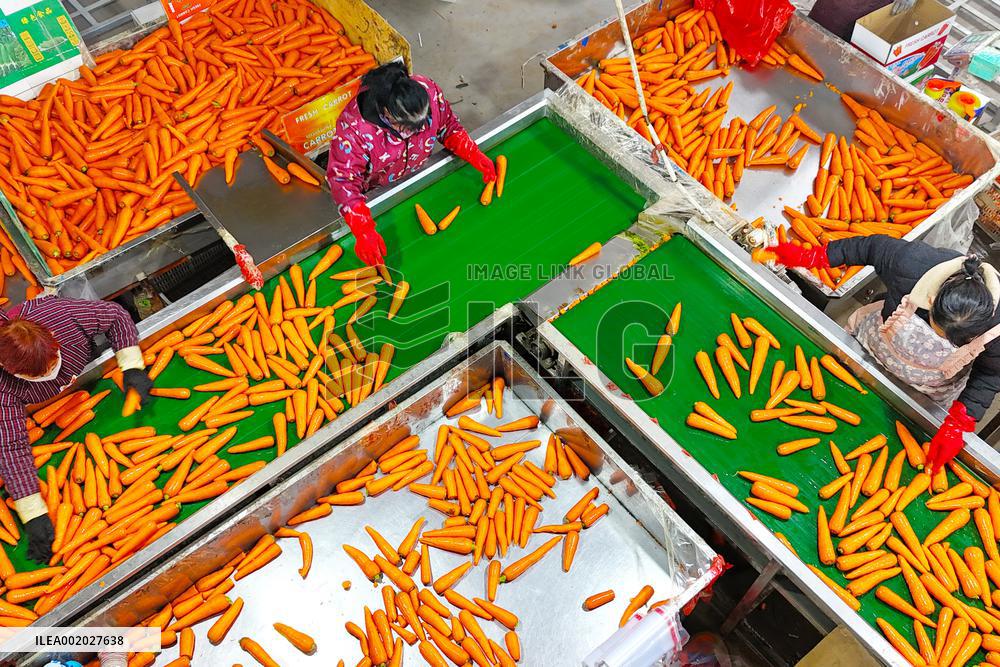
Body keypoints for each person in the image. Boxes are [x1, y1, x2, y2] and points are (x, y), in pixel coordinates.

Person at [765, 234, 1000, 473]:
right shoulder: (912, 264)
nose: (943, 341)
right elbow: (867, 247)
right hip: (869, 348)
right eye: (940, 330)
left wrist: (959, 423)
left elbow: (991, 375)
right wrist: (814, 256)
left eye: (957, 341)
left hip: (927, 390)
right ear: (930, 300)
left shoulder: (997, 328)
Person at [0, 296, 153, 563]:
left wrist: (131, 366)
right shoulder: (4, 389)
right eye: (39, 375)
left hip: (85, 358)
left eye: (52, 361)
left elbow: (116, 316)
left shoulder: (61, 314)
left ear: (52, 336)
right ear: (10, 370)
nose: (51, 372)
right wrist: (33, 512)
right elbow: (11, 448)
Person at [326, 62, 496, 266]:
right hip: (377, 193)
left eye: (423, 123)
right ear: (386, 112)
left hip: (416, 174)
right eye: (408, 127)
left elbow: (447, 125)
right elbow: (343, 181)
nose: (418, 131)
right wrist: (363, 229)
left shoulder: (428, 90)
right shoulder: (354, 130)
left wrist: (471, 152)